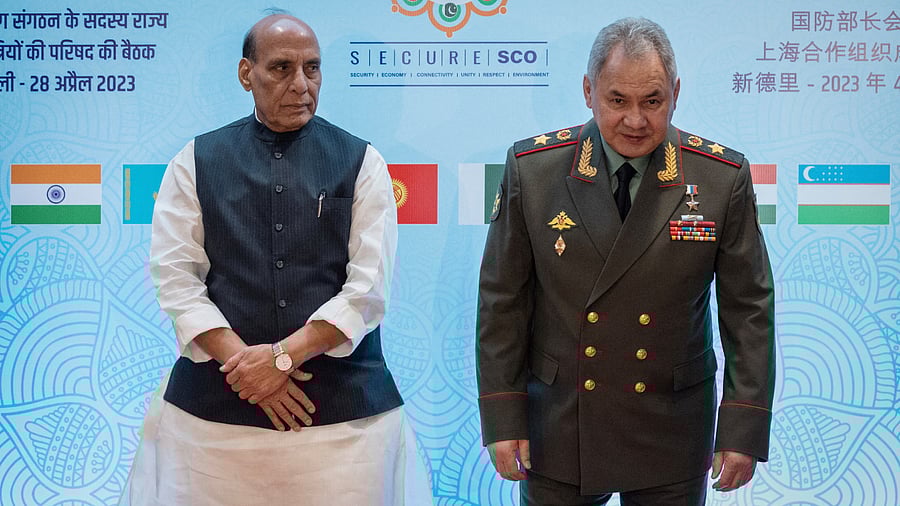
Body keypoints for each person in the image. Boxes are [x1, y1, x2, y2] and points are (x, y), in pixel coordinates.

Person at [120, 11, 430, 506]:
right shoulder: (196, 160)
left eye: (312, 68)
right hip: (211, 426)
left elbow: (368, 290)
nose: (301, 85)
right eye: (282, 68)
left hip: (345, 425)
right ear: (247, 74)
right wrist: (250, 372)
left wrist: (282, 358)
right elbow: (177, 281)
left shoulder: (362, 161)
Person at [476, 17, 775, 506]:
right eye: (617, 101)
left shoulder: (721, 177)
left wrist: (743, 424)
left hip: (671, 423)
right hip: (560, 419)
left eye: (652, 101)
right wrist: (504, 417)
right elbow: (502, 303)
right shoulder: (535, 171)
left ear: (675, 93)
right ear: (589, 91)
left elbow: (749, 311)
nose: (635, 120)